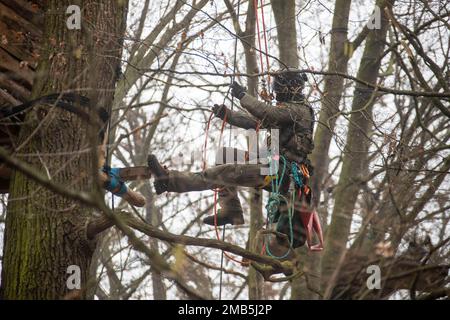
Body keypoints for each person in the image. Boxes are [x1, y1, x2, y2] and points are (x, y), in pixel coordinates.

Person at [148, 68, 315, 249]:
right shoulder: (286, 111)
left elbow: (268, 114)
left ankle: (169, 181)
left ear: (291, 88)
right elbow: (255, 121)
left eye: (278, 87)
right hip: (273, 164)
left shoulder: (298, 111)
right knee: (224, 155)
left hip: (282, 173)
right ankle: (231, 210)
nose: (276, 92)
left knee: (227, 172)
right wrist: (227, 114)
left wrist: (243, 95)